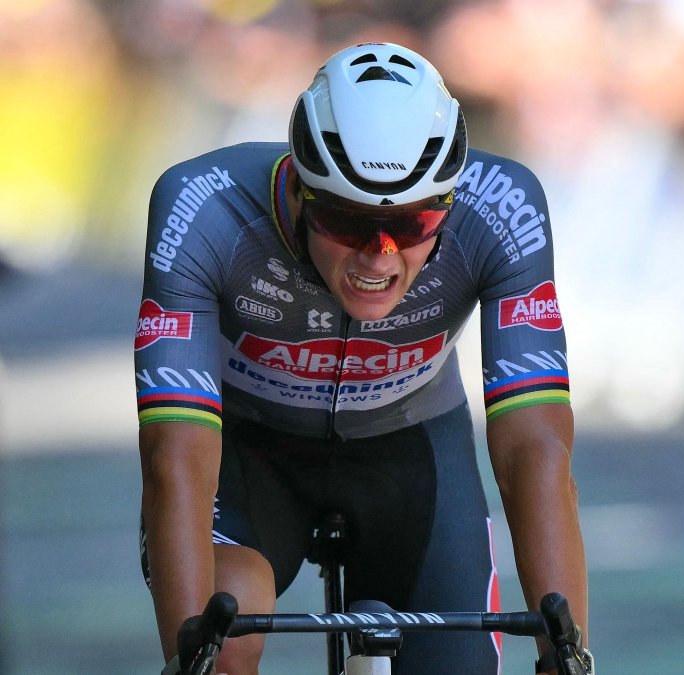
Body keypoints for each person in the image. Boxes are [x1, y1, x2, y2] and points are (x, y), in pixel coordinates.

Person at [135, 42, 591, 675]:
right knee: (225, 628)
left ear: (450, 204)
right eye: (348, 224)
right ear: (297, 189)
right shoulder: (204, 210)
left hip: (412, 451)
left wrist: (564, 651)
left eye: (411, 225)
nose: (378, 257)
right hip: (248, 459)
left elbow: (534, 449)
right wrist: (190, 658)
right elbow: (174, 457)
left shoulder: (502, 208)